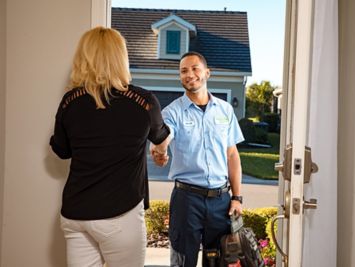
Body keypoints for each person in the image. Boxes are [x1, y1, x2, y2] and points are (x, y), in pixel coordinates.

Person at [50, 26, 170, 267]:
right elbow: (160, 136)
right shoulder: (144, 101)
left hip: (76, 213)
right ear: (121, 58)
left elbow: (61, 151)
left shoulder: (69, 102)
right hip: (120, 214)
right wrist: (161, 151)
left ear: (84, 57)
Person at [150, 51, 244, 267]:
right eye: (183, 71)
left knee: (218, 262)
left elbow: (232, 155)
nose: (189, 74)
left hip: (221, 201)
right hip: (186, 200)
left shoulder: (225, 110)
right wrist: (161, 149)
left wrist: (237, 197)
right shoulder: (172, 112)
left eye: (195, 68)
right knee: (183, 261)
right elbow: (165, 135)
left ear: (207, 73)